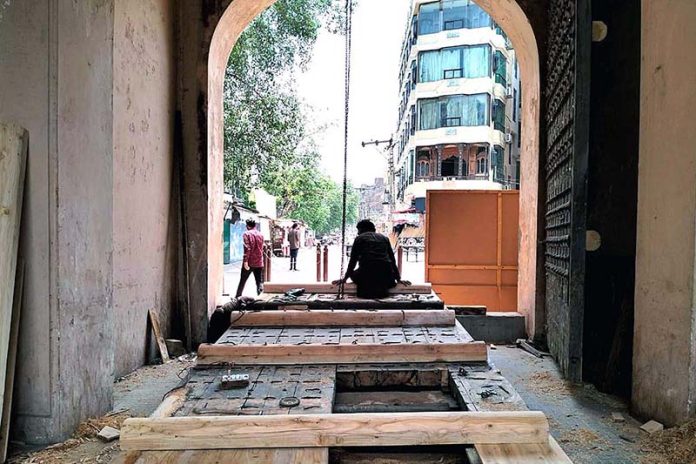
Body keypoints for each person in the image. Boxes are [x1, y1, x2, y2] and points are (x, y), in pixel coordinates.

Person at [332, 219, 410, 299]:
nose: (358, 233)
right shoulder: (384, 238)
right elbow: (392, 260)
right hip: (385, 275)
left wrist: (345, 279)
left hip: (366, 274)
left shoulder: (359, 239)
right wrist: (398, 278)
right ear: (374, 229)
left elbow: (353, 261)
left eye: (358, 230)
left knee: (354, 274)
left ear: (361, 230)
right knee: (385, 274)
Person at [235, 219, 265, 297]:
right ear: (254, 225)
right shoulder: (261, 234)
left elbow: (247, 248)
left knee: (242, 281)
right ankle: (261, 299)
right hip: (259, 262)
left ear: (247, 226)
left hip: (250, 262)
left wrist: (245, 261)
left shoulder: (246, 234)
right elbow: (262, 248)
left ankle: (237, 298)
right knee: (259, 282)